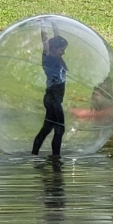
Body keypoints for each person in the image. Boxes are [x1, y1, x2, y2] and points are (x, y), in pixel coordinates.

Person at [32, 23, 68, 156]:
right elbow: (45, 40)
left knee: (47, 129)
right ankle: (56, 159)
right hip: (52, 98)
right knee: (60, 129)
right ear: (53, 48)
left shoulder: (57, 57)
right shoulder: (48, 57)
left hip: (54, 99)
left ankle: (34, 154)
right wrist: (42, 25)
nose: (63, 52)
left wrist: (54, 23)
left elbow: (57, 37)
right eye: (61, 49)